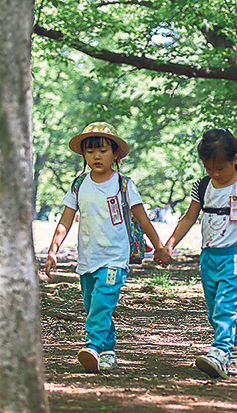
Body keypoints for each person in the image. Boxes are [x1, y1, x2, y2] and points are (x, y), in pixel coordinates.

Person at [44, 122, 171, 373]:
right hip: (87, 258)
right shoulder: (79, 185)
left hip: (114, 257)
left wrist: (159, 246)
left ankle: (92, 345)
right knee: (94, 305)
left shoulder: (124, 184)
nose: (96, 156)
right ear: (83, 155)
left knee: (102, 302)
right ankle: (108, 351)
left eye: (102, 150)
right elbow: (65, 220)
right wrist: (52, 251)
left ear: (115, 154)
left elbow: (143, 218)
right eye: (90, 151)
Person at [164, 129, 237, 379]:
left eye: (220, 168)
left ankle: (219, 350)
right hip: (209, 256)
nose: (215, 174)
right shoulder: (202, 186)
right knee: (214, 309)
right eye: (209, 168)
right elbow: (189, 218)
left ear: (235, 159)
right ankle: (236, 349)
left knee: (226, 306)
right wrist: (170, 244)